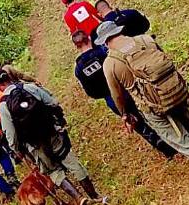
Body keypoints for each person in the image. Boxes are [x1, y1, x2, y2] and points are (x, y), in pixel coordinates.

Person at [95, 21, 189, 194]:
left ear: (106, 42)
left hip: (153, 107)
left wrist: (124, 115)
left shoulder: (111, 64)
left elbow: (118, 96)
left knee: (187, 145)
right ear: (119, 31)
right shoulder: (145, 40)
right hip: (175, 91)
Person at [0, 71, 103, 205]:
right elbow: (52, 102)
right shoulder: (29, 88)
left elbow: (10, 134)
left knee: (53, 171)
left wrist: (17, 150)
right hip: (51, 132)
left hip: (34, 144)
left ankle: (78, 197)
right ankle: (93, 195)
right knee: (69, 159)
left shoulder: (3, 106)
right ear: (10, 78)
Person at [71, 31, 176, 159]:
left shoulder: (79, 68)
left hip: (112, 100)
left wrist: (106, 94)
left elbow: (90, 92)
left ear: (76, 46)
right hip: (127, 89)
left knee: (137, 124)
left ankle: (165, 149)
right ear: (89, 38)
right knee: (151, 113)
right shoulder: (104, 52)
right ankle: (173, 139)